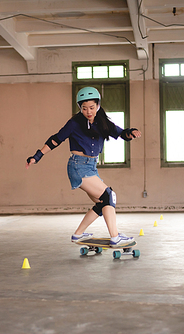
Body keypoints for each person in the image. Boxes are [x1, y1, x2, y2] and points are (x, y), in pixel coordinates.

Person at [26, 87, 141, 246]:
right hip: (78, 166)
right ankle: (115, 237)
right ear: (80, 108)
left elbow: (121, 133)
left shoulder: (102, 122)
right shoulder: (74, 123)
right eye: (84, 108)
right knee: (109, 196)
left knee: (102, 203)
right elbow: (56, 139)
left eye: (92, 107)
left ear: (98, 106)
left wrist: (131, 132)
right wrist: (37, 156)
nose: (88, 111)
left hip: (90, 167)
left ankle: (78, 234)